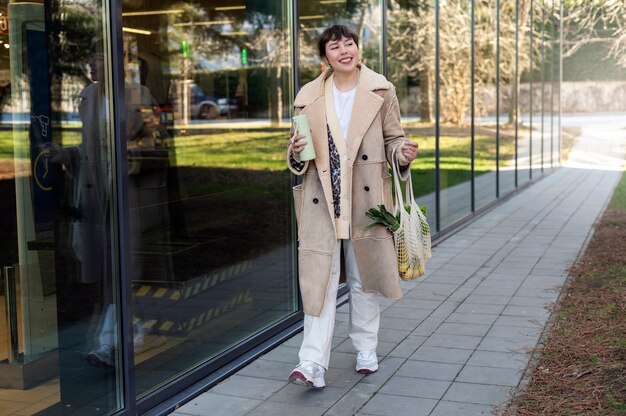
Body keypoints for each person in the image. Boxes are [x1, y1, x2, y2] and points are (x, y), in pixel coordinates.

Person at [286, 25, 419, 389]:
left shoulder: (381, 89)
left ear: (358, 49)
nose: (344, 50)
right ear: (325, 57)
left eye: (349, 44)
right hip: (322, 201)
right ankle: (311, 363)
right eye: (335, 46)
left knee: (364, 280)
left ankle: (366, 348)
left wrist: (401, 154)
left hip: (366, 199)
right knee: (319, 283)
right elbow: (298, 153)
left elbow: (394, 138)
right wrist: (295, 154)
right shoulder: (308, 95)